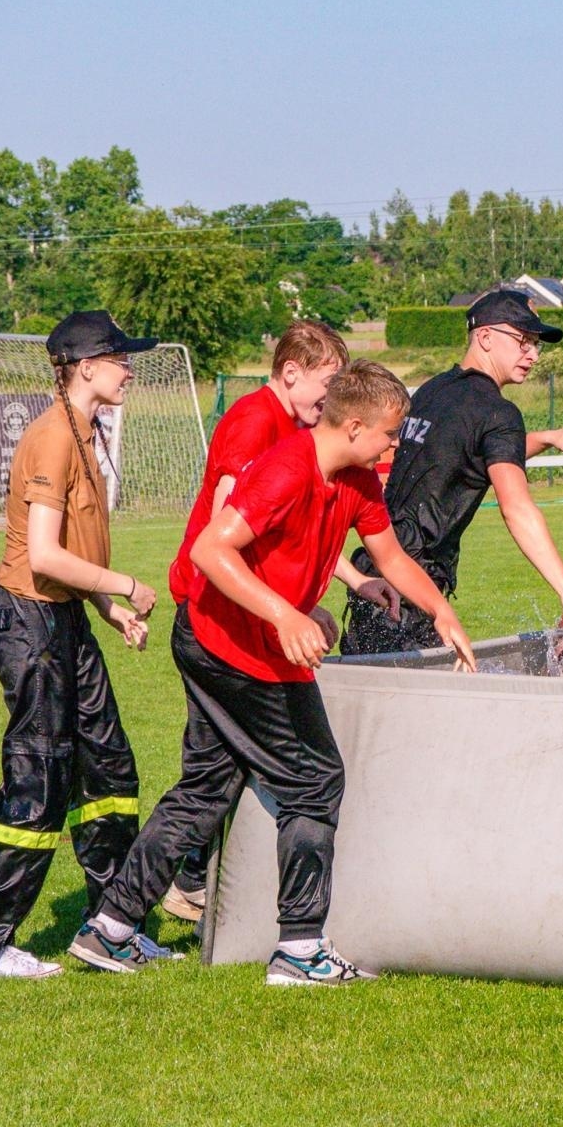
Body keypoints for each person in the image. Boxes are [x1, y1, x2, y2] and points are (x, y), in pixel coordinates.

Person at [69, 360, 476, 985]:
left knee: (207, 789)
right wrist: (289, 616)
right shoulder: (285, 468)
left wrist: (440, 610)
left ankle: (110, 928)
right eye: (391, 435)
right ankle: (301, 948)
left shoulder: (358, 480)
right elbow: (210, 548)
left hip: (227, 641)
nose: (397, 446)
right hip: (230, 647)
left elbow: (390, 554)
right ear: (356, 425)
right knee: (315, 779)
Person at [159, 320, 402, 924]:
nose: (332, 395)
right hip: (219, 616)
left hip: (250, 615)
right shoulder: (253, 422)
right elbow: (223, 538)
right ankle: (246, 914)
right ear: (290, 371)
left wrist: (348, 582)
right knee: (256, 775)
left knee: (217, 770)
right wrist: (285, 607)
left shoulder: (295, 430)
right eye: (327, 382)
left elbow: (283, 533)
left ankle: (129, 913)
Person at [0, 311, 165, 979]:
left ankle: (109, 929)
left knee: (110, 771)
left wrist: (106, 608)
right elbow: (44, 556)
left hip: (65, 620)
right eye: (121, 358)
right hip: (29, 621)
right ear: (87, 366)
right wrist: (125, 584)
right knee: (40, 781)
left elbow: (71, 550)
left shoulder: (86, 430)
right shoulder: (51, 439)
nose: (130, 369)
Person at [340, 289, 563, 656]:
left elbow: (464, 452)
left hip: (373, 573)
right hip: (414, 586)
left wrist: (545, 438)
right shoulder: (498, 412)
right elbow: (517, 508)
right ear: (484, 337)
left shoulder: (433, 391)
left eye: (536, 343)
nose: (533, 353)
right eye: (522, 340)